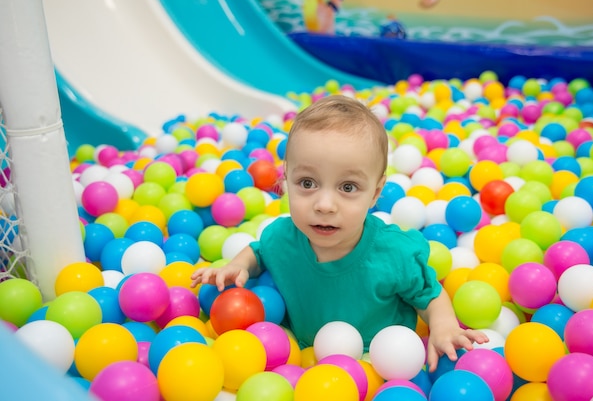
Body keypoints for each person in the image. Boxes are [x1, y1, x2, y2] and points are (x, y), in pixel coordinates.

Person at [191, 95, 488, 371]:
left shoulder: (393, 252)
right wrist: (239, 266)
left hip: (382, 364)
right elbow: (260, 251)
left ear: (375, 194)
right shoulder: (283, 238)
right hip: (300, 359)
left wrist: (444, 326)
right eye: (307, 183)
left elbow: (429, 295)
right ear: (285, 181)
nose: (324, 205)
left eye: (347, 187)